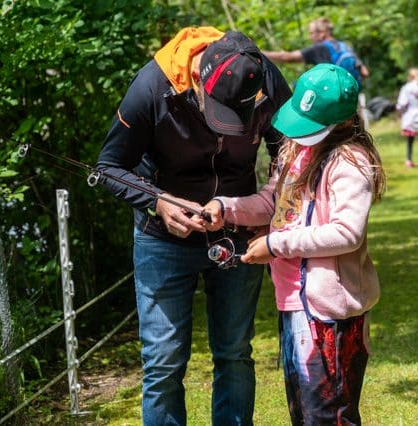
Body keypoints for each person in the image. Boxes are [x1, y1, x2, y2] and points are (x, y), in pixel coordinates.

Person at [96, 27, 292, 425]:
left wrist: (273, 212)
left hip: (237, 232)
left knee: (235, 353)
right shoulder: (153, 87)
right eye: (220, 111)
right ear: (199, 79)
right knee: (164, 363)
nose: (227, 126)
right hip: (162, 240)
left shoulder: (263, 76)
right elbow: (109, 167)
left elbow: (290, 154)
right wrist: (157, 202)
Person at [204, 64, 386, 425]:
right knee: (303, 414)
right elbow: (272, 203)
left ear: (342, 123)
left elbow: (346, 233)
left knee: (329, 415)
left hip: (329, 312)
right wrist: (226, 208)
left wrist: (274, 245)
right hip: (292, 302)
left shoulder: (350, 162)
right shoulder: (293, 152)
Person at [261, 17, 370, 89]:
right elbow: (365, 73)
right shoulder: (344, 46)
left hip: (333, 99)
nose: (310, 37)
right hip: (352, 93)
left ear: (322, 33)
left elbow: (286, 57)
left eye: (312, 33)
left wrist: (258, 52)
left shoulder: (319, 48)